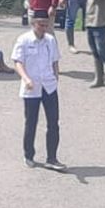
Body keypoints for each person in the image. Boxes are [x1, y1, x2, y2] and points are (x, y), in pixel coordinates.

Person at [12, 10, 64, 170]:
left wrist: (55, 76)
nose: (44, 28)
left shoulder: (50, 40)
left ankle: (52, 158)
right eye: (41, 25)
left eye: (46, 25)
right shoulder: (24, 40)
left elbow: (55, 60)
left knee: (53, 123)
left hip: (49, 86)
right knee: (31, 122)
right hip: (31, 88)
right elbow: (17, 62)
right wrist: (26, 78)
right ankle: (29, 155)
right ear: (33, 24)